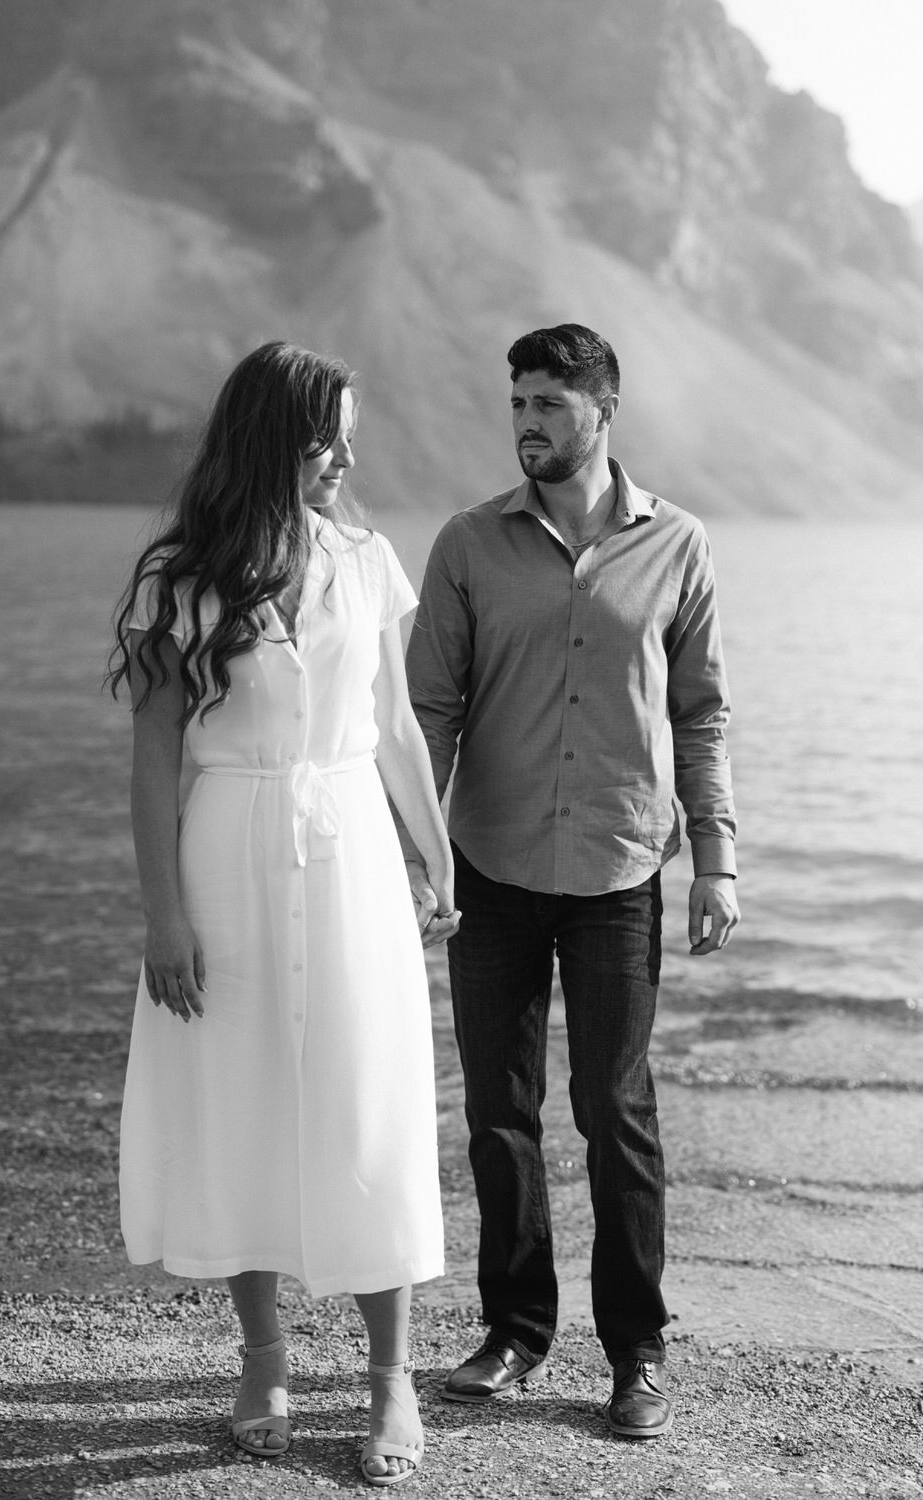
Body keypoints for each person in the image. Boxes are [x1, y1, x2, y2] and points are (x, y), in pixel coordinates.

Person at [107, 340, 459, 1487]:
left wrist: (435, 854)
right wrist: (164, 917)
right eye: (323, 438)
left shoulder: (367, 561)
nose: (346, 459)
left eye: (350, 435)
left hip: (349, 846)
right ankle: (263, 1364)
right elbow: (156, 755)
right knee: (237, 1098)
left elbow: (396, 726)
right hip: (224, 855)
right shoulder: (186, 578)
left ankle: (390, 1380)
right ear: (270, 441)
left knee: (366, 1098)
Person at [401, 323, 739, 1440]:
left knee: (614, 1114)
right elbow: (428, 719)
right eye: (516, 405)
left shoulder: (676, 543)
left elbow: (699, 712)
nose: (526, 423)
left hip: (618, 866)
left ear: (601, 410)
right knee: (499, 1117)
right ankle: (512, 1333)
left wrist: (716, 856)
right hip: (488, 868)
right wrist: (415, 855)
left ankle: (633, 1354)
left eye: (547, 403)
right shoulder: (465, 544)